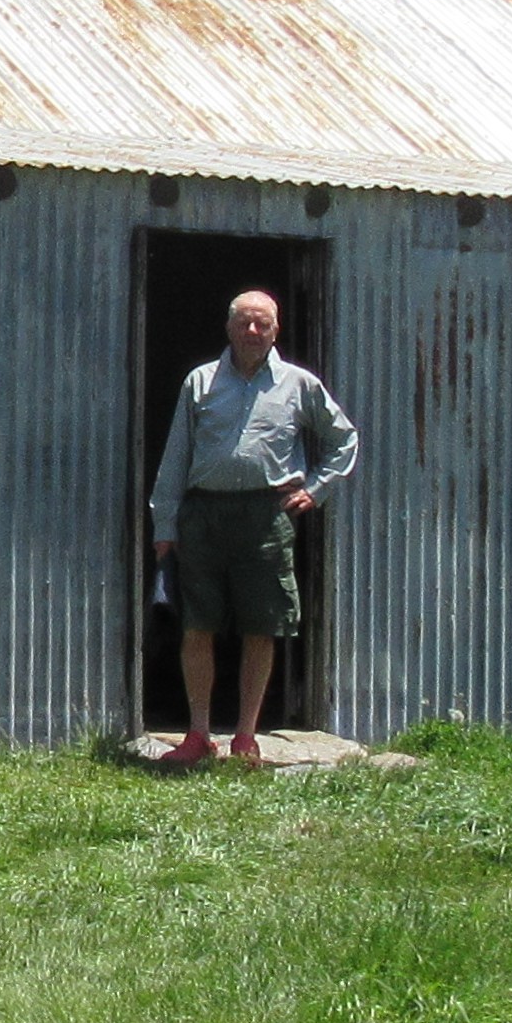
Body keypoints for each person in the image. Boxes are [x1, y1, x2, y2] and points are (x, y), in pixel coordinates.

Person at [147, 288, 359, 767]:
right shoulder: (200, 382)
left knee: (260, 627)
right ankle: (198, 734)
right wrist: (166, 522)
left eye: (262, 323)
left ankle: (245, 739)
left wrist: (318, 489)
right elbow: (176, 456)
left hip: (266, 518)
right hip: (203, 515)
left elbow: (343, 438)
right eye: (243, 321)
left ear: (275, 330)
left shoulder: (298, 384)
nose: (252, 331)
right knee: (196, 625)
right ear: (228, 327)